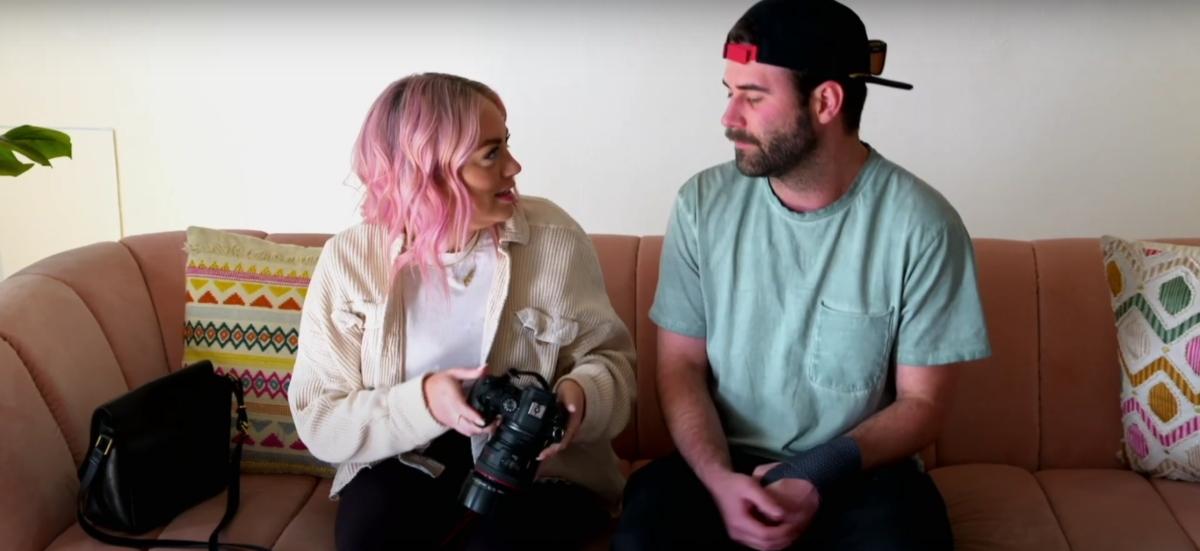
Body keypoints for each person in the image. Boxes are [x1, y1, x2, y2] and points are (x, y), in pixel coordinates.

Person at [613, 1, 991, 550]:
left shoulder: (923, 226)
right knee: (646, 530)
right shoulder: (701, 205)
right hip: (725, 463)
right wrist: (720, 482)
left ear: (826, 101)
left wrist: (814, 473)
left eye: (753, 96)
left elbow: (923, 406)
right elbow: (680, 365)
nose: (729, 117)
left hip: (857, 472)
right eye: (729, 92)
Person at [288, 73, 636, 551]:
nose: (515, 166)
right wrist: (427, 401)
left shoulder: (555, 238)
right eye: (491, 154)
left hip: (537, 472)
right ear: (425, 173)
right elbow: (320, 419)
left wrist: (580, 396)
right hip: (404, 460)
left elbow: (615, 367)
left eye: (506, 145)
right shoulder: (349, 262)